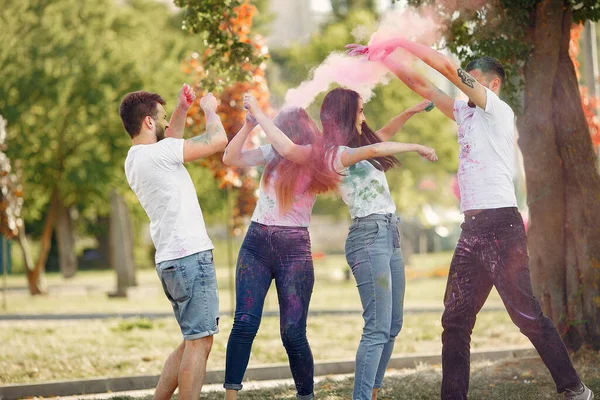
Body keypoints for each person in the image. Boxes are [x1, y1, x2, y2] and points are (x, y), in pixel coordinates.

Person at [346, 39, 594, 400]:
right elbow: (422, 85)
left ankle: (574, 388)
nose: (465, 88)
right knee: (455, 322)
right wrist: (381, 55)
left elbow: (447, 71)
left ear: (491, 84)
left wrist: (400, 39)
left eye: (471, 81)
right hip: (472, 230)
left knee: (526, 315)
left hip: (502, 228)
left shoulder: (498, 111)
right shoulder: (465, 113)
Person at [320, 87, 437, 400]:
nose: (365, 117)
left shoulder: (360, 145)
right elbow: (375, 149)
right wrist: (416, 146)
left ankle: (372, 393)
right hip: (368, 237)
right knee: (377, 327)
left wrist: (413, 110)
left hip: (390, 233)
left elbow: (385, 133)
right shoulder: (336, 154)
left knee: (392, 325)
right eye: (359, 111)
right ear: (345, 114)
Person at [221, 95, 339, 400]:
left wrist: (260, 114)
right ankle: (230, 395)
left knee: (292, 332)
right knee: (244, 323)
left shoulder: (313, 153)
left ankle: (305, 395)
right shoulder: (272, 153)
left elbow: (287, 148)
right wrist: (248, 126)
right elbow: (230, 158)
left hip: (294, 250)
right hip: (256, 243)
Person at [120, 85, 227, 400]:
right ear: (149, 123)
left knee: (191, 339)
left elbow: (170, 141)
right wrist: (209, 109)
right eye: (162, 118)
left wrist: (181, 109)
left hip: (170, 260)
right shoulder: (160, 154)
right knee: (200, 342)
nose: (167, 124)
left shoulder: (135, 158)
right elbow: (217, 140)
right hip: (190, 257)